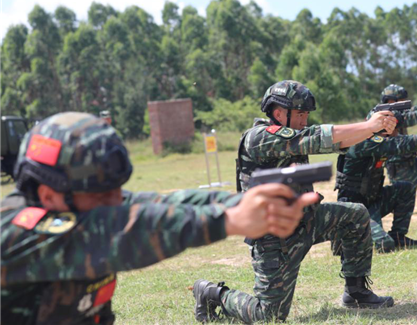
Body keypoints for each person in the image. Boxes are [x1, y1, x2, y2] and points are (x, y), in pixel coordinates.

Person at [1, 112, 318, 324]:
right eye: (101, 194)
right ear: (48, 195)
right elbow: (119, 233)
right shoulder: (15, 234)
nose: (117, 200)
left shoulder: (82, 204)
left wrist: (244, 202)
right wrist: (228, 219)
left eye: (117, 188)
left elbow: (167, 203)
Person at [193, 80, 397, 323]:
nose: (304, 119)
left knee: (355, 215)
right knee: (269, 316)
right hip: (274, 238)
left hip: (306, 221)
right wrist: (369, 125)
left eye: (307, 114)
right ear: (278, 113)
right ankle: (213, 294)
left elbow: (340, 142)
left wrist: (373, 130)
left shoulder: (294, 135)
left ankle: (356, 293)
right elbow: (318, 137)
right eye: (300, 113)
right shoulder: (259, 138)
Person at [335, 117, 417, 252]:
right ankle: (343, 240)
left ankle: (398, 236)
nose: (396, 130)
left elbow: (400, 144)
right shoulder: (363, 141)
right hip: (354, 209)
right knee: (385, 245)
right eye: (392, 126)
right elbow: (394, 144)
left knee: (406, 188)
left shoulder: (380, 140)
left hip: (373, 203)